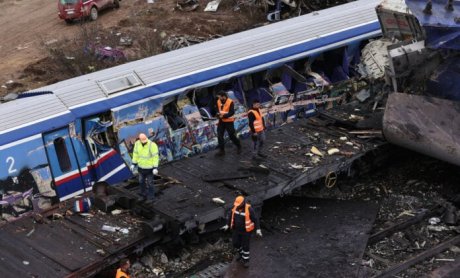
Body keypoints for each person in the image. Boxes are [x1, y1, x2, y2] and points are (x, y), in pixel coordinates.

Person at [222, 196, 262, 268]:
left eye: (239, 204)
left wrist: (258, 229)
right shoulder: (235, 207)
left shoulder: (249, 209)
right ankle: (241, 254)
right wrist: (227, 225)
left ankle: (246, 260)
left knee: (245, 246)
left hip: (246, 231)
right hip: (236, 230)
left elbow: (255, 220)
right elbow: (230, 216)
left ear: (243, 203)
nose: (237, 206)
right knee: (235, 243)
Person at [130, 133, 159, 202]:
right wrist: (133, 163)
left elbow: (155, 157)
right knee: (141, 181)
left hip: (149, 169)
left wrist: (155, 167)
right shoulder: (137, 144)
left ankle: (151, 197)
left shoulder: (152, 145)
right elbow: (135, 154)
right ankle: (143, 194)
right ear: (139, 140)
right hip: (141, 168)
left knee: (150, 183)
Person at [215, 91, 242, 156]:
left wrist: (224, 116)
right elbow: (217, 109)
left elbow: (232, 112)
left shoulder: (230, 102)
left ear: (223, 96)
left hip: (229, 121)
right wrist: (217, 114)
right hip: (221, 121)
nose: (219, 98)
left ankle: (239, 146)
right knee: (219, 135)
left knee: (231, 135)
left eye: (220, 97)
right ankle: (222, 151)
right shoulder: (218, 101)